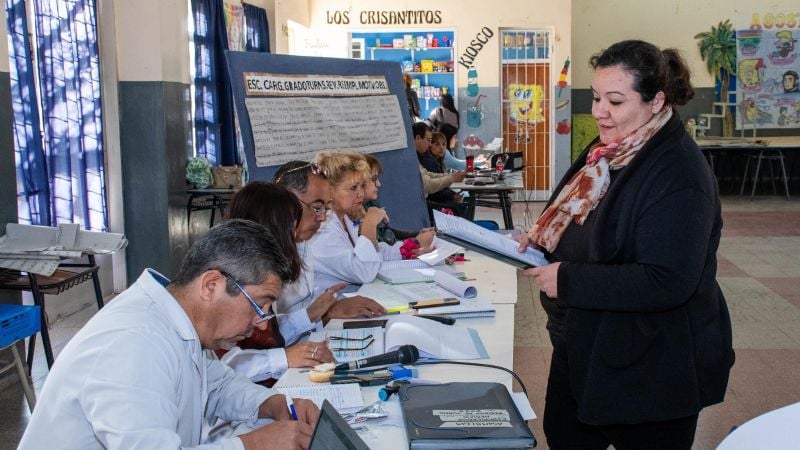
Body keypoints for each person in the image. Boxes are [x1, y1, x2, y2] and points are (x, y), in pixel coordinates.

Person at [516, 40, 734, 449]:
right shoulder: (611, 149)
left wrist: (568, 279)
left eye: (615, 101)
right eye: (596, 97)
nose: (600, 111)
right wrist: (539, 241)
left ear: (656, 102)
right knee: (565, 437)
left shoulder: (679, 174)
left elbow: (667, 280)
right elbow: (578, 218)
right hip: (588, 343)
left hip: (653, 364)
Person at [19, 220, 319, 449]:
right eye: (259, 304)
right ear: (211, 285)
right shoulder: (134, 342)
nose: (262, 324)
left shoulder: (180, 320)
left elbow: (217, 385)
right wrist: (253, 444)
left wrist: (272, 403)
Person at [219, 182, 335, 384]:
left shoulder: (259, 270)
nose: (294, 237)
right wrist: (284, 357)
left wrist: (311, 315)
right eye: (290, 229)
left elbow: (266, 335)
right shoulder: (230, 279)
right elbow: (219, 368)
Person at [273, 161, 385, 322]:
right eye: (316, 207)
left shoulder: (302, 241)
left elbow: (301, 308)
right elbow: (265, 329)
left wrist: (325, 311)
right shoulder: (265, 252)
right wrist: (325, 312)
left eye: (326, 208)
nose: (323, 217)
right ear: (287, 203)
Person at [308, 151, 393, 296]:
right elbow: (364, 272)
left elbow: (372, 254)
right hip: (326, 305)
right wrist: (369, 225)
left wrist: (411, 248)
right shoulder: (322, 228)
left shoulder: (344, 219)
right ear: (329, 191)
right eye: (353, 188)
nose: (360, 194)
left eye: (362, 186)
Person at [360, 153, 436, 259]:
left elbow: (389, 233)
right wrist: (416, 242)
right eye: (374, 179)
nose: (379, 184)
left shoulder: (371, 204)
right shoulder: (356, 217)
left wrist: (417, 234)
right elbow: (374, 254)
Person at [413, 122, 467, 217]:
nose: (429, 144)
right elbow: (429, 185)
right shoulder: (425, 160)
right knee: (456, 208)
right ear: (418, 138)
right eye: (428, 140)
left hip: (426, 202)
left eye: (443, 144)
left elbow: (428, 174)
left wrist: (450, 176)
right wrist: (451, 179)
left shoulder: (416, 157)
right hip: (424, 204)